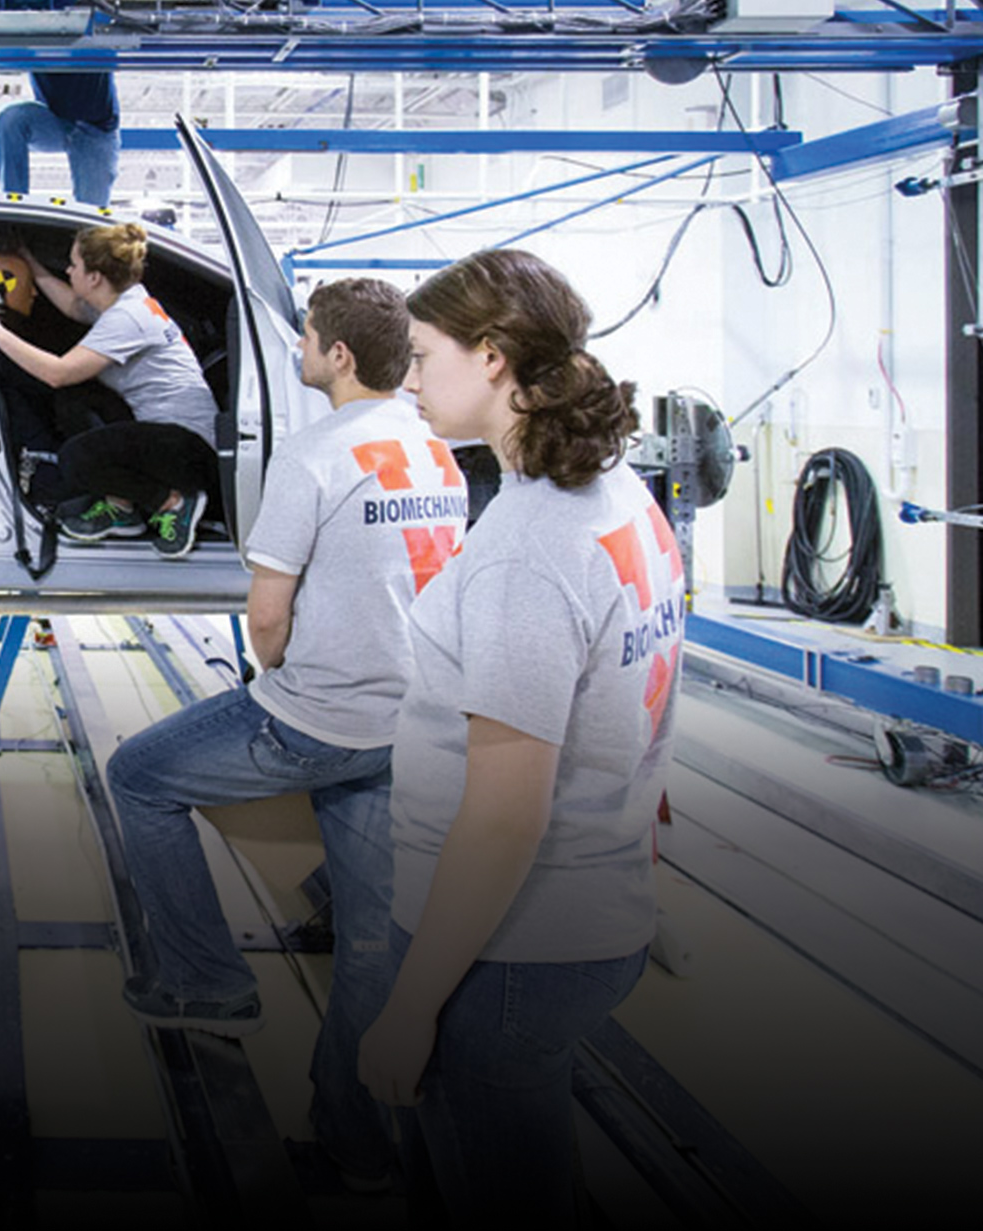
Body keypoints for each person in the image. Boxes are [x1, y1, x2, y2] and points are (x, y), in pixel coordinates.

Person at [104, 277, 467, 1191]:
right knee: (375, 943)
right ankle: (355, 1136)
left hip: (320, 716)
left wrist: (283, 687)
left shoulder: (311, 457)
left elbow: (266, 622)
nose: (299, 348)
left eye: (308, 336)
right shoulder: (436, 451)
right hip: (410, 717)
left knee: (140, 776)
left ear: (338, 356)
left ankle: (205, 980)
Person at [358, 248, 684, 1226]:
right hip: (596, 906)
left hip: (512, 951)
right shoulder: (616, 497)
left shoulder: (527, 554)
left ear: (492, 357)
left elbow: (503, 818)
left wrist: (411, 1006)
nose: (407, 381)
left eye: (421, 356)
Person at [0, 223, 217, 558]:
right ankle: (123, 509)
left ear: (94, 278)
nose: (68, 270)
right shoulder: (125, 303)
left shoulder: (127, 319)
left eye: (74, 265)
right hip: (174, 440)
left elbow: (57, 373)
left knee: (76, 459)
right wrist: (29, 261)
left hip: (187, 451)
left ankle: (173, 502)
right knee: (81, 399)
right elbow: (74, 308)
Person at [0, 71, 120, 208]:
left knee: (92, 215)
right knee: (11, 119)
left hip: (96, 129)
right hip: (56, 120)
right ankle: (15, 206)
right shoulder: (36, 49)